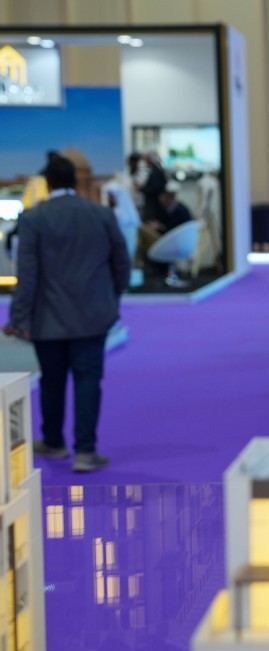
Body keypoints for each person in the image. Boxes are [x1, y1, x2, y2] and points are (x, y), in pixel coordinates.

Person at [3, 153, 131, 472]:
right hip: (93, 317)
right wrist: (112, 299)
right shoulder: (101, 214)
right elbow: (121, 262)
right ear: (75, 181)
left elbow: (27, 274)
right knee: (88, 380)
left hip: (48, 319)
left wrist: (18, 319)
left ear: (47, 183)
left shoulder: (33, 218)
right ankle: (85, 452)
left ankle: (54, 443)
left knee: (51, 381)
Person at [137, 151, 167, 222]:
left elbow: (155, 188)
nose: (145, 161)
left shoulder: (155, 172)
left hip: (153, 204)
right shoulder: (156, 169)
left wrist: (141, 189)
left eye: (146, 158)